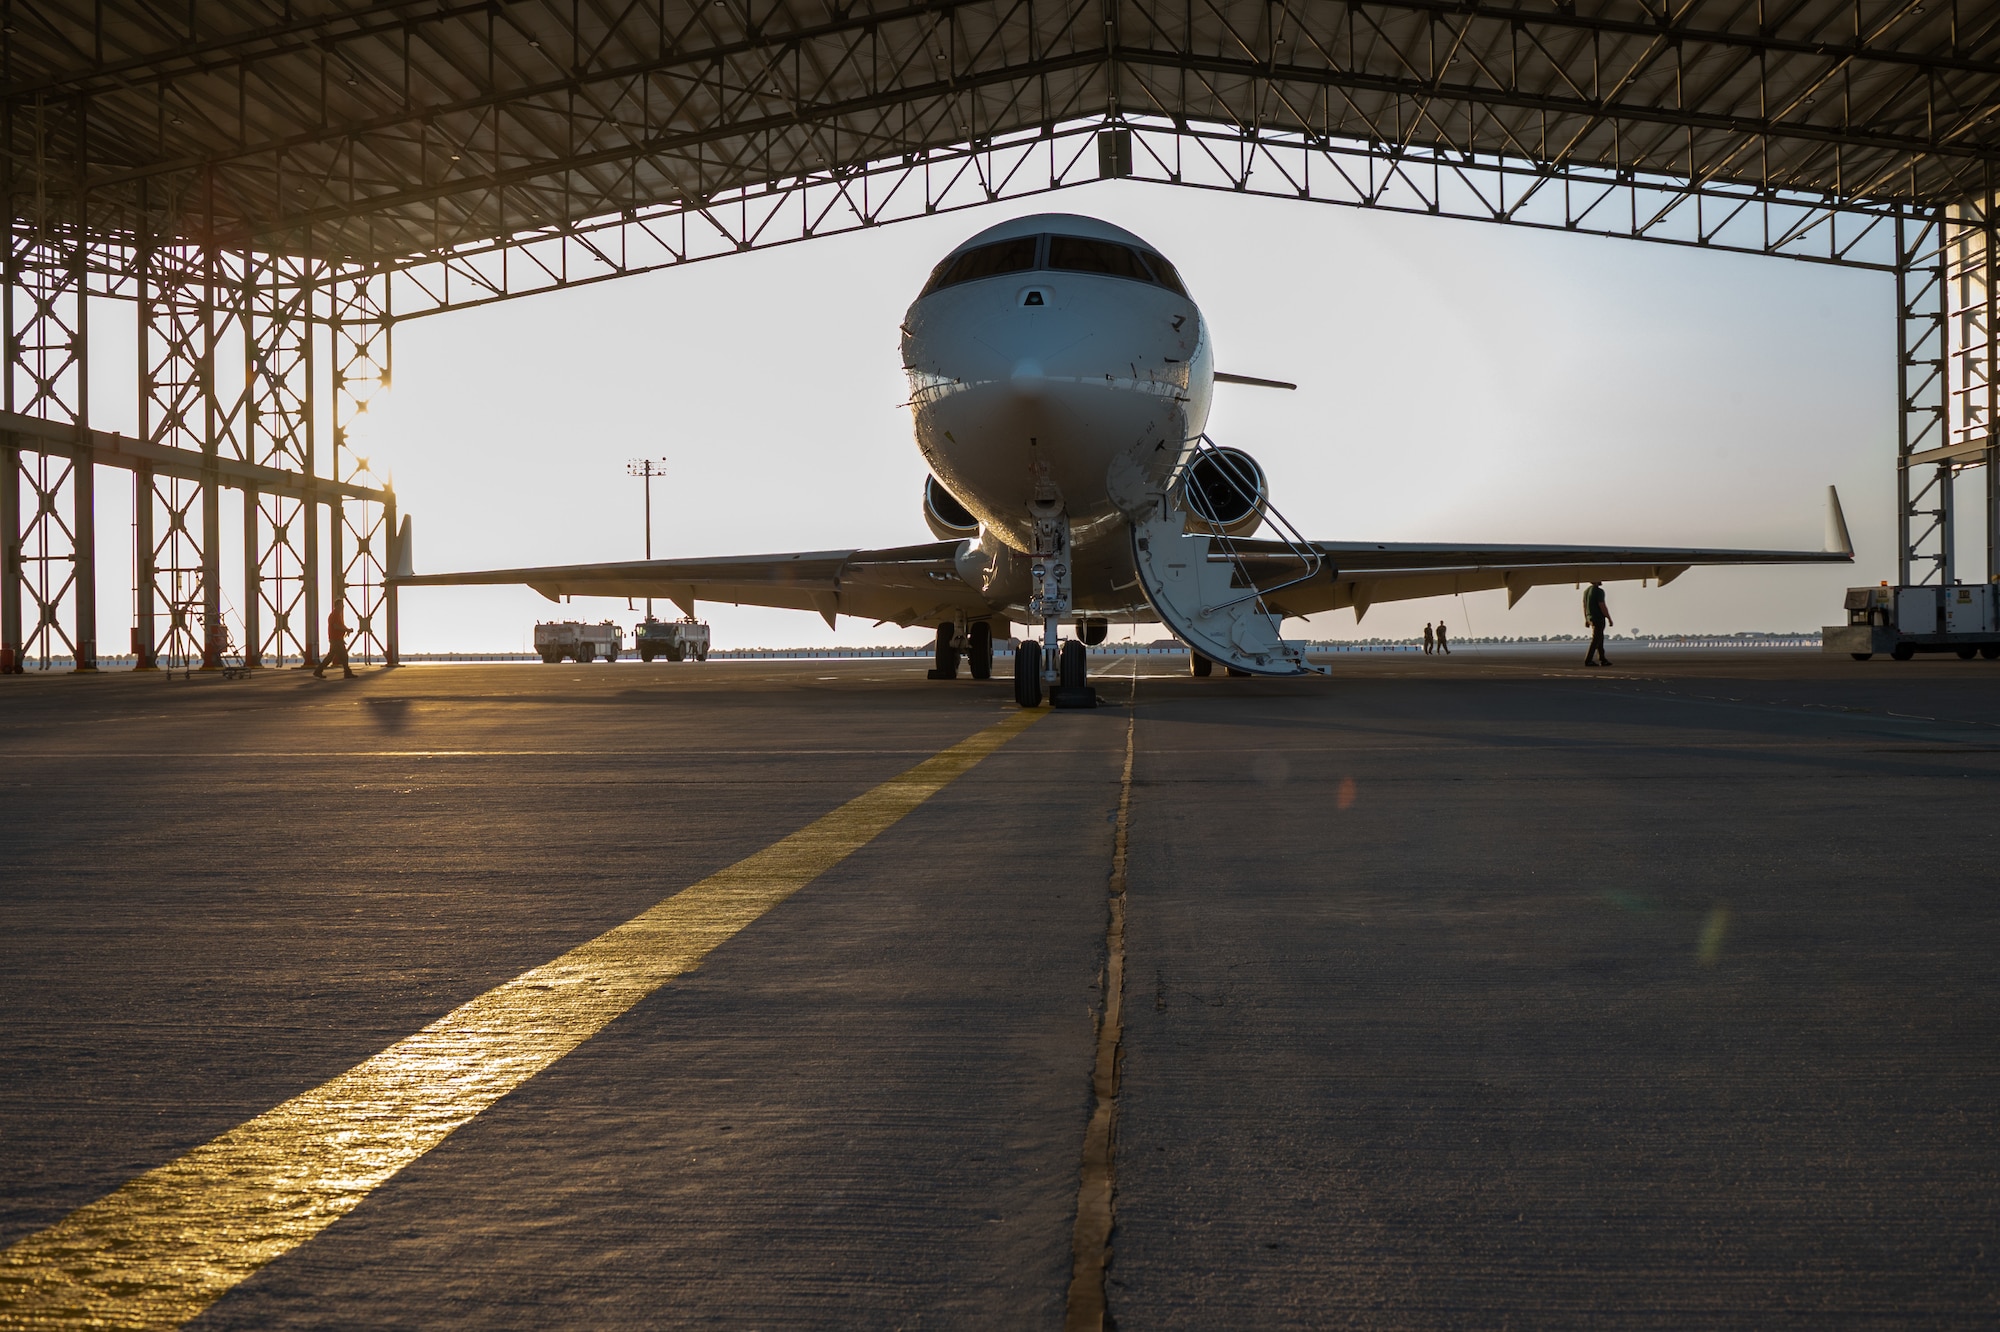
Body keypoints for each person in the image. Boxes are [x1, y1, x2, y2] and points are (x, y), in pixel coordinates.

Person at [315, 605, 355, 679]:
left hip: (336, 639)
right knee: (344, 656)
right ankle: (347, 673)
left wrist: (347, 629)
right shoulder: (334, 615)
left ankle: (318, 671)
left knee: (331, 657)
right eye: (340, 606)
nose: (342, 607)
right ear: (336, 607)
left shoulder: (337, 615)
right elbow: (336, 626)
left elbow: (340, 625)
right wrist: (347, 630)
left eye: (342, 606)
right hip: (336, 640)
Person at [1583, 581, 1613, 666]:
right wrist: (1609, 618)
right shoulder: (1598, 591)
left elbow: (1585, 606)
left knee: (1599, 638)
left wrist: (1586, 618)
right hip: (1598, 617)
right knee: (1596, 639)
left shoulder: (1586, 591)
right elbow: (1602, 605)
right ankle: (1588, 660)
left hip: (1590, 617)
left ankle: (1602, 658)